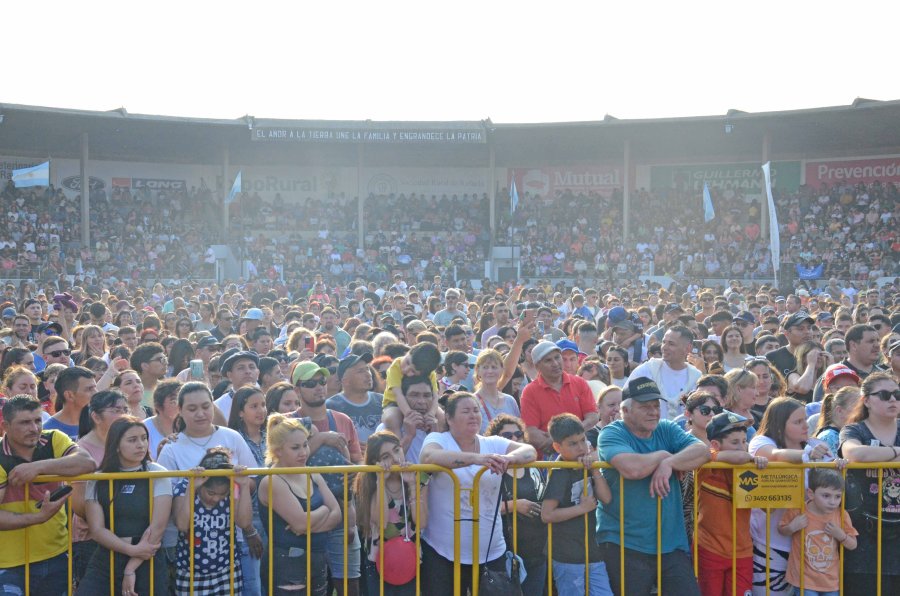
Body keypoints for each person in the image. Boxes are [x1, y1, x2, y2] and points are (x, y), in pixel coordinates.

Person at [597, 378, 709, 596]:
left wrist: (669, 464)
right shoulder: (611, 433)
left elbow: (703, 451)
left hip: (671, 543)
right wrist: (664, 455)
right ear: (625, 410)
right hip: (625, 543)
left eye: (656, 406)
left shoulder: (666, 429)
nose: (653, 412)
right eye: (645, 406)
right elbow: (632, 469)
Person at [419, 392, 537, 596]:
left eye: (476, 410)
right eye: (465, 411)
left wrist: (507, 458)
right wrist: (476, 459)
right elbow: (428, 456)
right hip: (443, 551)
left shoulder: (493, 443)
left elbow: (529, 451)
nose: (473, 415)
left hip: (491, 550)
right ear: (449, 418)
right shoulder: (438, 438)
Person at [157, 382, 262, 595]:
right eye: (192, 408)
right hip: (187, 549)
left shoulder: (231, 436)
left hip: (232, 542)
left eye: (206, 406)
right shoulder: (171, 449)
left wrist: (229, 487)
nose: (200, 414)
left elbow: (252, 480)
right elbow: (167, 498)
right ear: (180, 410)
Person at [0, 395, 96, 595]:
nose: (34, 428)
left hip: (57, 555)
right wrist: (38, 517)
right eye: (25, 422)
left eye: (37, 420)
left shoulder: (53, 438)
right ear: (5, 426)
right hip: (8, 563)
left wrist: (38, 467)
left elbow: (86, 462)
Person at [748, 397, 840, 596]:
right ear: (780, 425)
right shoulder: (762, 441)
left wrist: (838, 464)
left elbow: (833, 482)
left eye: (805, 420)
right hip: (771, 543)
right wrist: (806, 455)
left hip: (811, 545)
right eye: (797, 422)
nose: (805, 425)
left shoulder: (817, 445)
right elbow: (774, 454)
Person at [74, 416, 172, 596]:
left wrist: (131, 567)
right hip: (107, 558)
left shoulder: (157, 473)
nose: (141, 445)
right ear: (116, 445)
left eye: (144, 438)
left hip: (146, 559)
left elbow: (158, 527)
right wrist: (131, 550)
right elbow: (97, 529)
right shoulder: (98, 478)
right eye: (132, 440)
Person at [259, 414, 342, 596]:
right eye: (295, 447)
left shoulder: (312, 474)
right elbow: (302, 522)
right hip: (287, 563)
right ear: (278, 451)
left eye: (305, 444)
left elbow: (337, 515)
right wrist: (324, 510)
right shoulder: (272, 481)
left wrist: (308, 525)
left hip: (317, 558)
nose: (303, 452)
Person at [837, 372, 900, 595]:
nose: (893, 399)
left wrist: (880, 455)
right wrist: (895, 452)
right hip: (864, 534)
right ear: (866, 401)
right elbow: (854, 453)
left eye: (896, 394)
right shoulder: (854, 430)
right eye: (884, 395)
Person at [696, 412, 768, 596]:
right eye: (735, 442)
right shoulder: (706, 462)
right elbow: (738, 458)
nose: (742, 447)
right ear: (715, 445)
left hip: (742, 551)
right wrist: (748, 458)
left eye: (744, 441)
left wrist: (757, 464)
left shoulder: (749, 466)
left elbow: (768, 505)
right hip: (710, 549)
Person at [541, 413, 613, 596]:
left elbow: (606, 498)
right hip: (567, 555)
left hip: (592, 551)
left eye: (582, 440)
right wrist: (581, 508)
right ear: (557, 447)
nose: (581, 448)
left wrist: (595, 470)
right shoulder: (559, 471)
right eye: (573, 444)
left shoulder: (587, 465)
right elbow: (547, 514)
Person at [355, 430, 429, 596]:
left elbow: (421, 522)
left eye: (397, 450)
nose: (395, 459)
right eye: (386, 456)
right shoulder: (369, 481)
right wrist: (381, 480)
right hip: (378, 561)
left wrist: (411, 486)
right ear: (376, 461)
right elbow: (381, 522)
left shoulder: (419, 476)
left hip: (409, 559)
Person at [172, 446, 253, 595]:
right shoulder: (185, 485)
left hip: (226, 570)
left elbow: (244, 522)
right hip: (190, 573)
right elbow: (182, 525)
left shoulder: (233, 486)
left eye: (222, 494)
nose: (216, 498)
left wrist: (244, 485)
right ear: (201, 484)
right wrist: (191, 488)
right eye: (211, 493)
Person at [485, 414, 548, 596]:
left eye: (518, 434)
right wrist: (514, 505)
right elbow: (480, 508)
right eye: (507, 436)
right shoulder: (490, 469)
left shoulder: (534, 466)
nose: (514, 439)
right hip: (503, 554)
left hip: (536, 552)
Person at [778, 468, 857, 596]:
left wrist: (841, 535)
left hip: (831, 581)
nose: (832, 502)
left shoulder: (841, 514)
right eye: (826, 495)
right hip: (803, 579)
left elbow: (853, 545)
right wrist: (792, 527)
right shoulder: (799, 510)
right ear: (811, 494)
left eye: (837, 496)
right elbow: (781, 529)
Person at [520, 341, 599, 458]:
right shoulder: (530, 391)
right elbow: (531, 432)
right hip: (548, 460)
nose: (555, 363)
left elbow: (592, 417)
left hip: (582, 456)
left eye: (557, 357)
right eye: (548, 360)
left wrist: (560, 438)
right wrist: (559, 444)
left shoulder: (579, 383)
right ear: (537, 366)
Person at [627, 326, 703, 420]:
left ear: (687, 348)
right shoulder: (646, 370)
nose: (664, 347)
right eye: (663, 342)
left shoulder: (696, 378)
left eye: (671, 344)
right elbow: (626, 402)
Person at [381, 342, 442, 438]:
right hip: (394, 403)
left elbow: (435, 397)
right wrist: (410, 415)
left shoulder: (431, 373)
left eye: (413, 371)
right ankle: (397, 443)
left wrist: (430, 414)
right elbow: (398, 395)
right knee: (392, 417)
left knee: (441, 416)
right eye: (407, 362)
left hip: (422, 403)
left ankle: (437, 442)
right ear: (409, 351)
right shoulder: (395, 366)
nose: (406, 370)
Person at [326, 353, 384, 449]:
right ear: (345, 380)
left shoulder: (383, 401)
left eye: (367, 369)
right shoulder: (331, 406)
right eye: (360, 371)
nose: (368, 374)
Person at [472, 348, 520, 433]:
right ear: (478, 370)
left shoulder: (510, 401)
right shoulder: (472, 402)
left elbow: (519, 431)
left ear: (501, 370)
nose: (490, 371)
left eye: (494, 367)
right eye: (485, 367)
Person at [45, 365, 97, 439]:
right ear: (69, 395)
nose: (96, 393)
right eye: (89, 389)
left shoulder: (98, 422)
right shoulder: (48, 432)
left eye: (95, 387)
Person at [814, 386, 861, 454]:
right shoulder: (829, 437)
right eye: (858, 408)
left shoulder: (853, 433)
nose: (864, 412)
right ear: (840, 411)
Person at [145, 380, 180, 459]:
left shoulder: (191, 426)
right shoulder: (144, 428)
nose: (179, 404)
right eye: (174, 400)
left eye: (181, 399)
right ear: (158, 406)